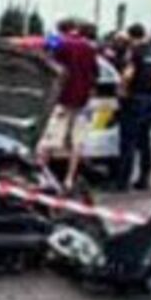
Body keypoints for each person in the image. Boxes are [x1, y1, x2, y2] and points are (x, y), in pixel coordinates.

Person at [45, 19, 99, 190]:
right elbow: (95, 73)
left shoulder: (60, 44)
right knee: (77, 143)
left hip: (61, 100)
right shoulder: (89, 48)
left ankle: (44, 176)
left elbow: (49, 64)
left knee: (50, 142)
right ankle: (69, 178)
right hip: (82, 102)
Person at [116, 23, 151, 192]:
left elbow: (129, 73)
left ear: (131, 36)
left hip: (134, 99)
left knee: (128, 142)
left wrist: (121, 91)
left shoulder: (133, 52)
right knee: (145, 141)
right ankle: (144, 178)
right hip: (149, 99)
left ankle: (122, 182)